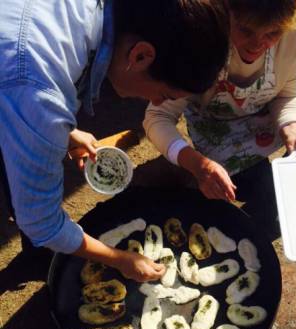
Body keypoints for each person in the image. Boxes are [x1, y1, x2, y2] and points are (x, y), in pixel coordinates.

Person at [0, 0, 230, 282]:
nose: (155, 102)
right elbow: (40, 223)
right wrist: (120, 259)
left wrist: (62, 131)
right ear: (142, 56)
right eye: (165, 94)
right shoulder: (40, 89)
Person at [143, 0, 296, 206]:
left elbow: (287, 93)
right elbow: (157, 117)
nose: (257, 45)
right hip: (220, 122)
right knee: (262, 191)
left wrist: (292, 129)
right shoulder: (200, 33)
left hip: (274, 100)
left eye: (272, 34)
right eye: (246, 30)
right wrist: (197, 165)